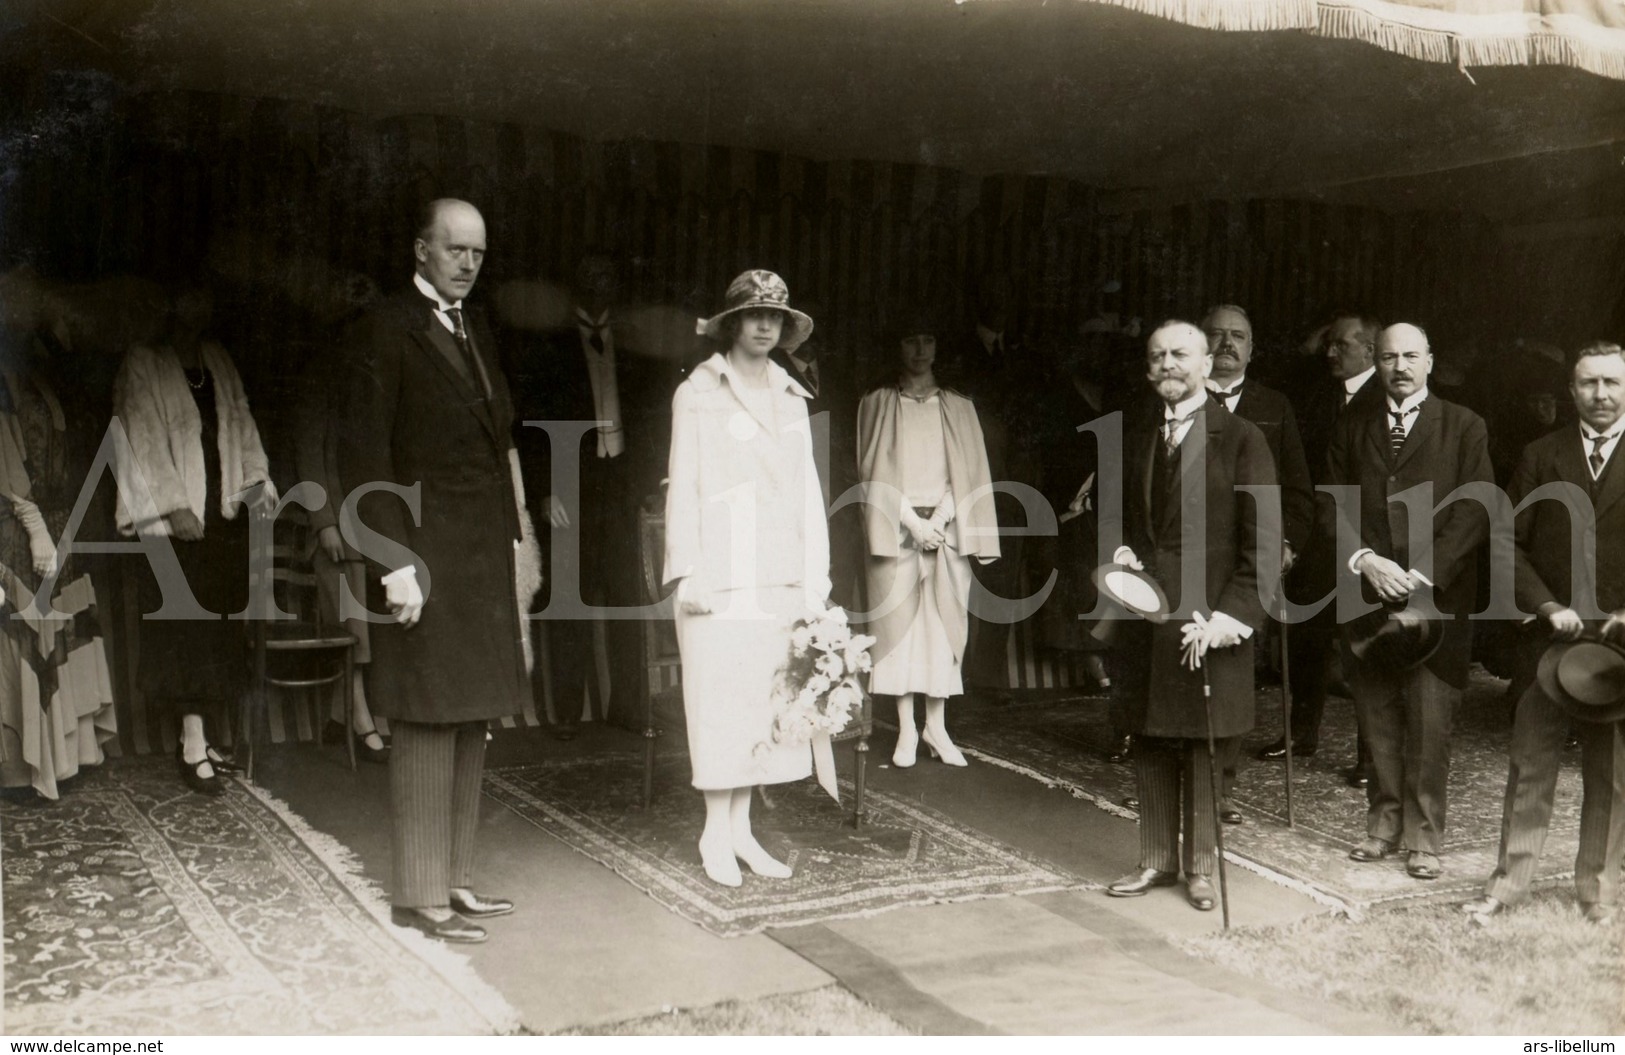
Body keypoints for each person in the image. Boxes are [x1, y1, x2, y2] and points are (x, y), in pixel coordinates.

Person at [336, 199, 522, 943]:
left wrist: (512, 539)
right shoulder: (383, 329)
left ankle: (451, 877)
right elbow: (364, 460)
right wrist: (393, 565)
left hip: (477, 553)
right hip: (418, 554)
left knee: (470, 711)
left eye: (478, 251)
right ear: (420, 250)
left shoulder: (473, 326)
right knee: (421, 711)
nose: (468, 263)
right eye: (455, 249)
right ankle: (418, 895)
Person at [1105, 321, 1279, 912]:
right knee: (1150, 735)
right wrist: (1127, 553)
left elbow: (1264, 541)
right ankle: (1155, 859)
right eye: (1157, 357)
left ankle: (1202, 865)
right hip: (1149, 620)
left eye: (1180, 354)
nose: (1168, 365)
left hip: (1210, 625)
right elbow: (1135, 523)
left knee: (1205, 744)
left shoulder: (1242, 437)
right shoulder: (1138, 436)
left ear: (1207, 364)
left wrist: (1232, 617)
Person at [664, 269, 830, 887]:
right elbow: (684, 481)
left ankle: (741, 834)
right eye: (754, 314)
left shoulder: (791, 394)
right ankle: (715, 831)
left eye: (776, 316)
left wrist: (815, 577)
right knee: (721, 704)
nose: (765, 325)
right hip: (718, 571)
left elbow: (807, 492)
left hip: (778, 571)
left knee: (762, 706)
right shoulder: (700, 391)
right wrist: (687, 571)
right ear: (732, 322)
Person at [1462, 341, 1625, 924]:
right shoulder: (1540, 454)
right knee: (1531, 764)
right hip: (1548, 642)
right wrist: (1545, 604)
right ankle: (1508, 884)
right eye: (1588, 384)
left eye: (1611, 382)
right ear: (1571, 390)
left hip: (1618, 650)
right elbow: (1505, 540)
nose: (1599, 395)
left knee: (1612, 773)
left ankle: (1600, 890)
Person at [1328, 322, 1493, 882]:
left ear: (1430, 361)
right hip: (1367, 595)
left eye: (1410, 356)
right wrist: (1366, 562)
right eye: (1389, 357)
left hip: (1436, 601)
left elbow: (1476, 509)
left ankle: (1424, 838)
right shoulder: (1352, 425)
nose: (1400, 367)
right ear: (1376, 363)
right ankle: (1382, 825)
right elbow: (1332, 505)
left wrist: (1421, 575)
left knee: (1428, 720)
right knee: (1376, 715)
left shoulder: (1465, 426)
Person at [112, 285, 277, 795]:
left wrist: (255, 484)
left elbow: (242, 425)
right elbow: (135, 437)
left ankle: (203, 737)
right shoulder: (143, 361)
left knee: (219, 624)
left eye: (203, 296)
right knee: (184, 625)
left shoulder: (217, 359)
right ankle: (190, 740)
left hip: (221, 515)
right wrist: (173, 505)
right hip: (176, 520)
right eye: (187, 295)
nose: (197, 305)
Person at [507, 252, 656, 738]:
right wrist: (545, 492)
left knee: (626, 596)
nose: (597, 285)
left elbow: (654, 416)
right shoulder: (547, 344)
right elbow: (528, 422)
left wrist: (648, 485)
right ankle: (566, 711)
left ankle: (630, 707)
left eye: (605, 276)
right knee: (568, 594)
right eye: (588, 276)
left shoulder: (632, 344)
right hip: (570, 479)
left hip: (619, 481)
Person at [857, 311, 998, 770]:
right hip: (895, 529)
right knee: (899, 632)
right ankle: (906, 730)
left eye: (928, 340)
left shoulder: (959, 405)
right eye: (910, 340)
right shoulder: (877, 402)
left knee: (940, 629)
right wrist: (912, 526)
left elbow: (970, 472)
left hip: (947, 530)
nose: (920, 350)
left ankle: (936, 728)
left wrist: (936, 521)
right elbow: (869, 473)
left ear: (939, 347)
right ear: (897, 347)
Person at [1260, 312, 1384, 789]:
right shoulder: (1315, 395)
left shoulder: (1385, 398)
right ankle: (1300, 735)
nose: (1330, 353)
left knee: (1363, 647)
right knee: (1305, 638)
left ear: (1369, 351)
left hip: (1363, 540)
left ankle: (1370, 755)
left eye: (1341, 345)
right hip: (1316, 534)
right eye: (1329, 344)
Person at [1200, 304, 1313, 825]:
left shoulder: (1274, 405)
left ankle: (1220, 786)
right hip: (1187, 557)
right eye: (1217, 335)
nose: (1227, 344)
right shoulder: (1178, 401)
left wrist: (1286, 543)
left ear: (1252, 348)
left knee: (1230, 674)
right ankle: (1176, 779)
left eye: (1237, 336)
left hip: (1247, 559)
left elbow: (1295, 487)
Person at [0, 311, 117, 799]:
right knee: (27, 632)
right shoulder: (3, 383)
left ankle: (68, 756)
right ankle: (24, 770)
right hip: (20, 527)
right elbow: (4, 458)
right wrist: (35, 530)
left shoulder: (45, 381)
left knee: (63, 625)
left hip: (57, 519)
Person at [291, 349, 387, 763]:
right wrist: (324, 522)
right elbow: (309, 456)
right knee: (352, 622)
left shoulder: (367, 387)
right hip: (333, 531)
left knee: (371, 617)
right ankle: (361, 718)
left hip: (365, 525)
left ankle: (338, 716)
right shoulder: (318, 384)